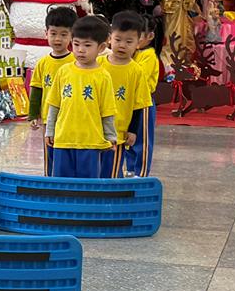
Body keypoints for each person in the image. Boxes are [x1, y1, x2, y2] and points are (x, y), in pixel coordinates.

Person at [44, 16, 117, 178]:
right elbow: (54, 105)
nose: (80, 50)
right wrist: (50, 130)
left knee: (87, 186)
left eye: (87, 45)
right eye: (76, 44)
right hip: (63, 140)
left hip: (91, 142)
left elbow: (107, 111)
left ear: (101, 47)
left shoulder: (103, 76)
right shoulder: (63, 71)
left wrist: (110, 137)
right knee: (62, 185)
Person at [97, 12, 152, 178]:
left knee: (112, 173)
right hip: (94, 130)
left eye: (129, 42)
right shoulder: (98, 64)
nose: (122, 45)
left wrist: (133, 131)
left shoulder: (136, 71)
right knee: (94, 171)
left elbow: (139, 105)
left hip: (118, 133)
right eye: (118, 39)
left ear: (138, 42)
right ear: (109, 38)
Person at [28, 5, 76, 175]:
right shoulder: (43, 63)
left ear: (72, 35)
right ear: (46, 33)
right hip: (49, 119)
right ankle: (50, 179)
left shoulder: (75, 62)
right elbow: (36, 89)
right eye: (53, 33)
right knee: (50, 152)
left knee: (68, 153)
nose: (58, 39)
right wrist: (33, 115)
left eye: (64, 34)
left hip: (70, 117)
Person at [128, 15, 162, 177]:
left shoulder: (149, 55)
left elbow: (137, 78)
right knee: (128, 138)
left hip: (143, 103)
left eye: (138, 35)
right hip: (128, 102)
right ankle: (129, 170)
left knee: (142, 139)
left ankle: (140, 173)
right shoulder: (134, 53)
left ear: (150, 36)